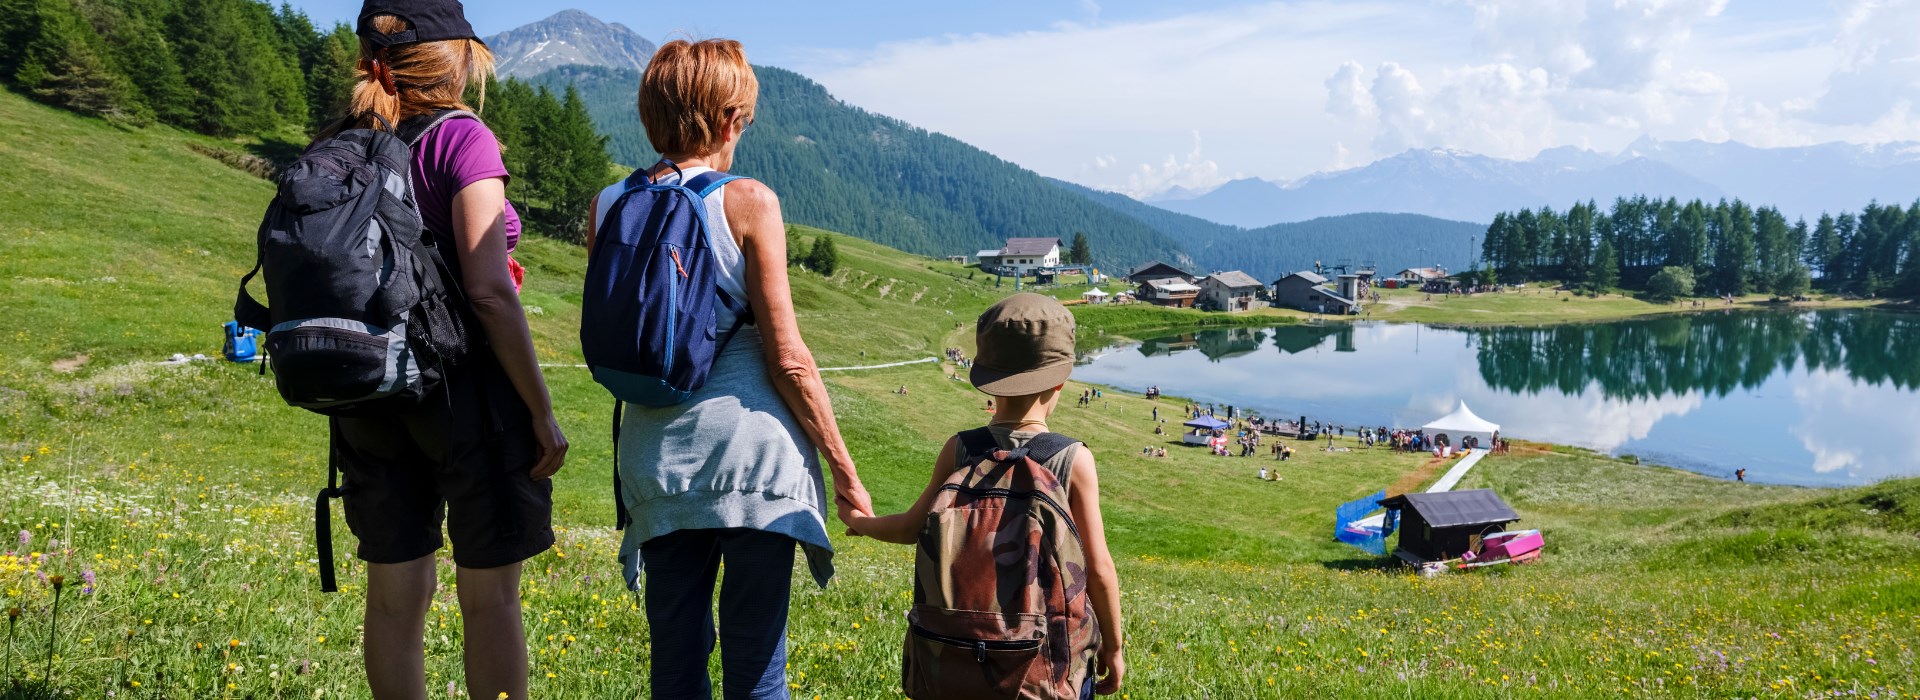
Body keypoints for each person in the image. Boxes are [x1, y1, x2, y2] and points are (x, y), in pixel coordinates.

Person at [588, 39, 873, 698]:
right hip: (755, 467)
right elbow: (790, 360)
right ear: (725, 122)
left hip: (656, 465)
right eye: (742, 119)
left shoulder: (609, 204)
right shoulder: (747, 202)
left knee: (677, 665)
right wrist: (844, 470)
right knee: (756, 668)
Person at [315, 3, 566, 698]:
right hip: (465, 393)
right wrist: (540, 410)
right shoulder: (463, 139)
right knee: (490, 599)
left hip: (368, 392)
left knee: (395, 598)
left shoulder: (342, 141)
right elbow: (488, 289)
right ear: (459, 59)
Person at [847, 294, 1124, 697]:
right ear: (1059, 382)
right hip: (1047, 667)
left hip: (952, 656)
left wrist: (860, 522)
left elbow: (910, 528)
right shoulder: (1072, 460)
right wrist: (1113, 649)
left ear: (987, 376)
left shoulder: (960, 449)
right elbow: (1097, 569)